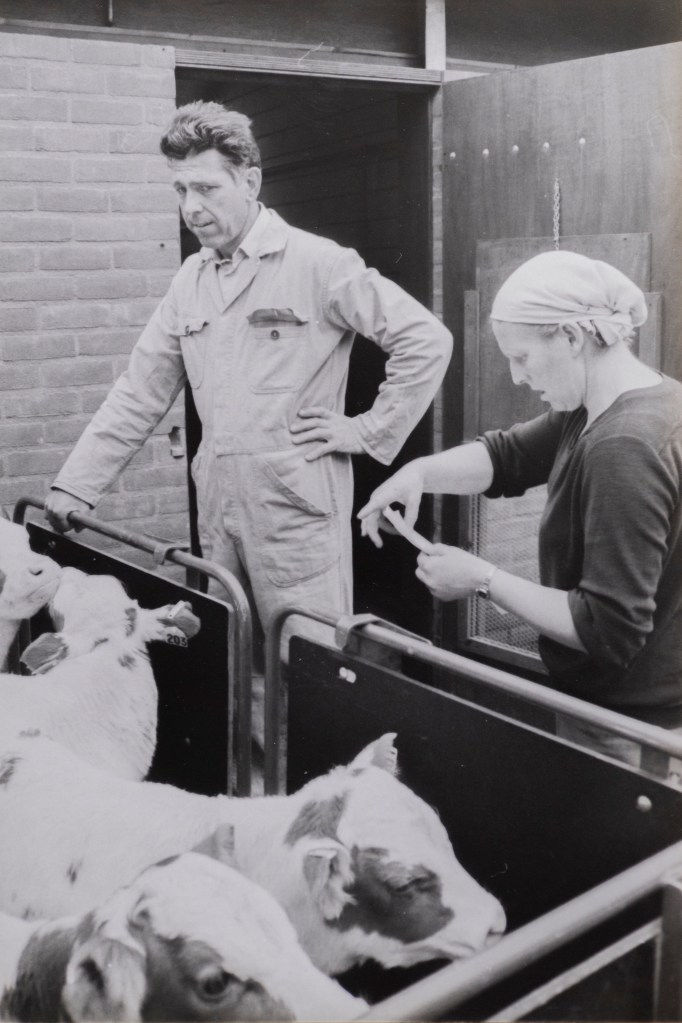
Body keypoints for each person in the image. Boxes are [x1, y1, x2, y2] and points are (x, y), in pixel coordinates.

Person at [45, 101, 452, 681]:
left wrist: (365, 430)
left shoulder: (318, 263)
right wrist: (77, 484)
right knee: (231, 659)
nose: (191, 207)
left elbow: (426, 341)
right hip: (219, 503)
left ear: (250, 182)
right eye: (181, 190)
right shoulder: (190, 281)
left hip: (296, 509)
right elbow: (140, 390)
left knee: (309, 663)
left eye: (207, 188)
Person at [359, 250, 682, 766]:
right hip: (627, 708)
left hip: (633, 731)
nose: (514, 376)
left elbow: (607, 628)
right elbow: (506, 456)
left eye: (522, 357)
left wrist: (481, 579)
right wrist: (418, 473)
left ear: (572, 337)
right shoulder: (620, 403)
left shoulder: (624, 447)